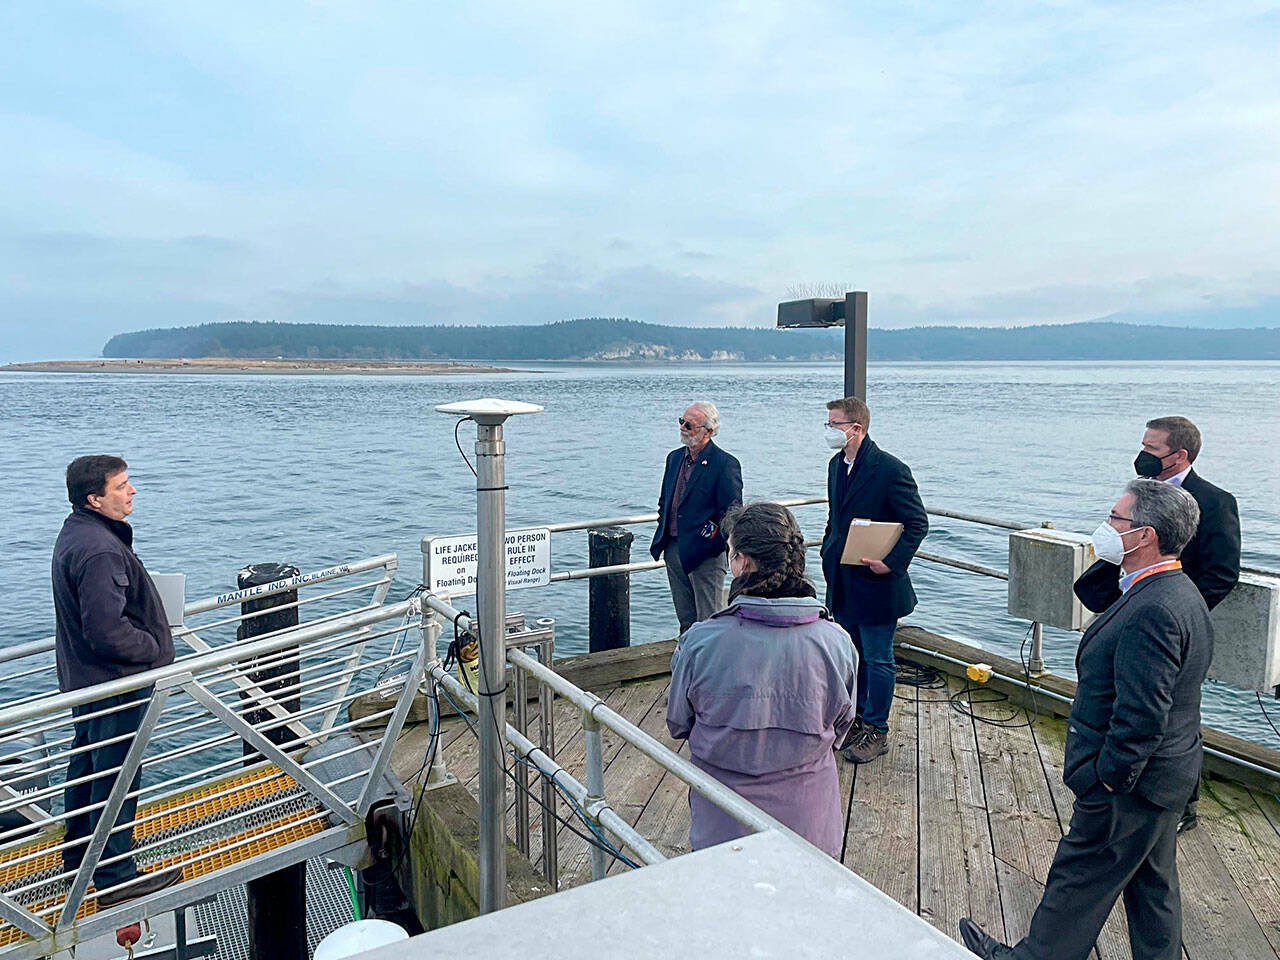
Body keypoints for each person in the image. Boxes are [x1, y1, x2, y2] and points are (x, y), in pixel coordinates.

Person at [960, 479, 1212, 960]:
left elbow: (1141, 715)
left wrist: (1107, 782)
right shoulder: (1178, 591)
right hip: (1170, 776)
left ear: (1145, 535)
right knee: (1152, 889)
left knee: (1077, 881)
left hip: (1132, 786)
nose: (1107, 525)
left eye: (1117, 518)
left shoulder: (1154, 610)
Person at [1073, 415, 1240, 834]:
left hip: (1165, 622)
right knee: (1120, 699)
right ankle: (1116, 771)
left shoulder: (1215, 501)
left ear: (1178, 455)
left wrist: (1171, 613)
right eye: (1143, 446)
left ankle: (1180, 800)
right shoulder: (1139, 496)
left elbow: (1221, 572)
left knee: (1171, 710)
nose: (1142, 455)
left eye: (1152, 449)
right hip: (1126, 609)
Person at [666, 502, 857, 857]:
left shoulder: (699, 643)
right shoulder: (838, 644)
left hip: (724, 827)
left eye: (730, 554)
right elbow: (842, 728)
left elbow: (678, 723)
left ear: (742, 562)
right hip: (811, 827)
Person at [53, 455, 183, 906]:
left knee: (89, 767)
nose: (132, 492)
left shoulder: (78, 533)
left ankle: (77, 861)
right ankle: (115, 877)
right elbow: (106, 630)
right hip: (114, 682)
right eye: (122, 485)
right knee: (118, 776)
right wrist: (154, 649)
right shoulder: (100, 549)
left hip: (87, 679)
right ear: (95, 498)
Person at [819, 396, 928, 764]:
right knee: (852, 656)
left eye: (834, 424)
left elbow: (917, 523)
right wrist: (827, 553)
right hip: (843, 578)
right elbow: (836, 517)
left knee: (879, 657)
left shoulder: (891, 469)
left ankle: (876, 729)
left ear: (856, 428)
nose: (829, 431)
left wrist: (890, 562)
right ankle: (855, 718)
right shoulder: (836, 466)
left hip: (878, 581)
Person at [650, 401, 743, 633]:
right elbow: (665, 500)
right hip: (673, 548)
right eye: (681, 421)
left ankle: (712, 667)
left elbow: (730, 513)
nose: (683, 427)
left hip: (705, 556)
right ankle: (688, 663)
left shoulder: (725, 464)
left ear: (708, 431)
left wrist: (710, 542)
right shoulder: (674, 459)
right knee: (685, 619)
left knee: (709, 620)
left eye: (689, 425)